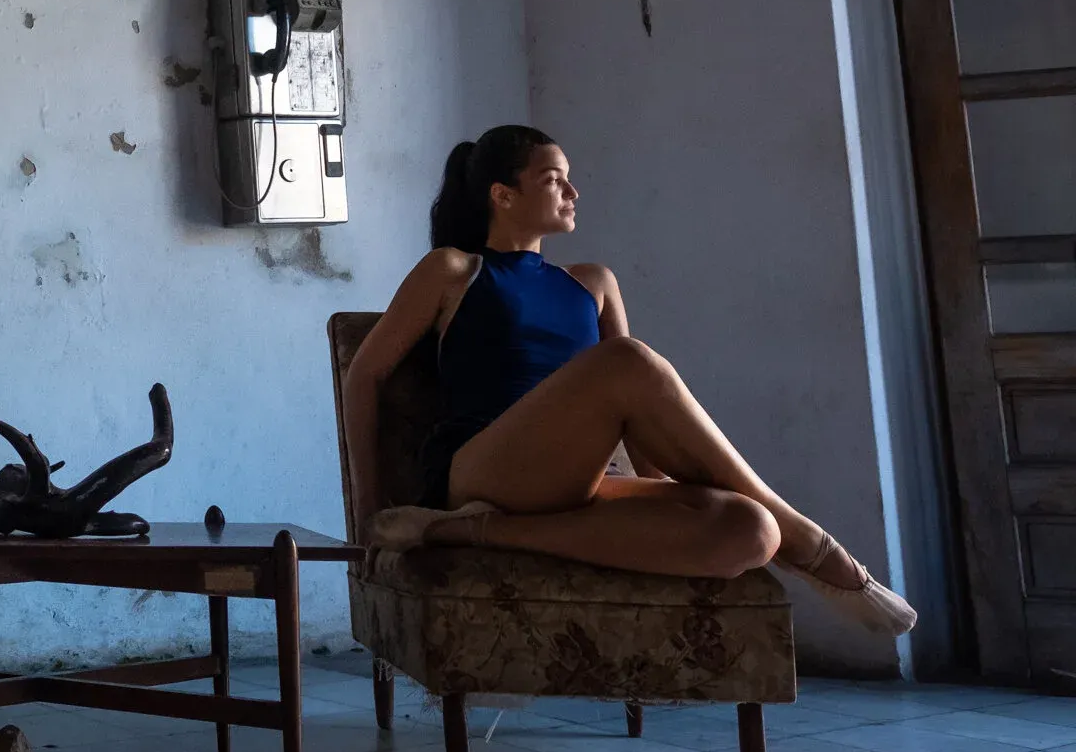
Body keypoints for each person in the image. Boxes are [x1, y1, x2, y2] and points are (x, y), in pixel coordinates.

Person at [341, 124, 915, 638]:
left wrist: (671, 502)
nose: (573, 192)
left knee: (749, 530)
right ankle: (816, 547)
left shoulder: (593, 282)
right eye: (554, 179)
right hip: (483, 468)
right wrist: (366, 506)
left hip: (581, 482)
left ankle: (460, 534)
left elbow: (644, 416)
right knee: (626, 362)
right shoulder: (454, 270)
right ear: (503, 194)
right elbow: (364, 376)